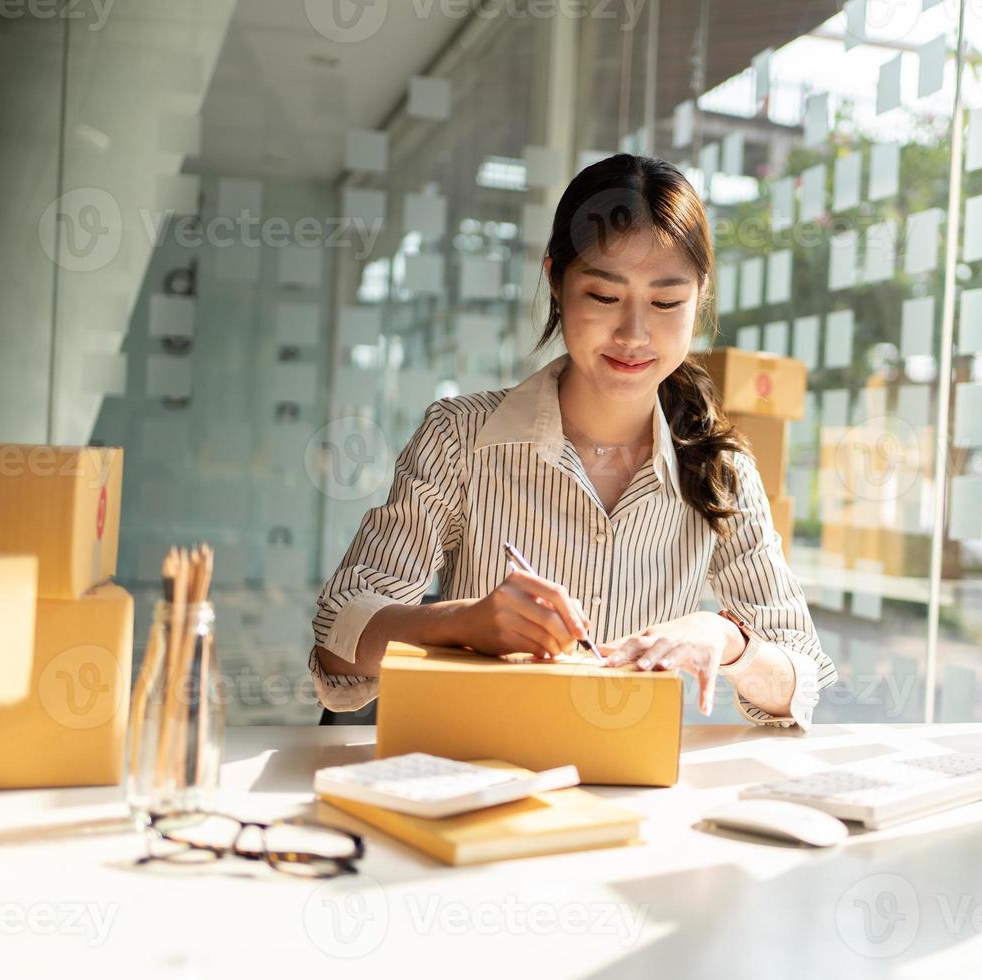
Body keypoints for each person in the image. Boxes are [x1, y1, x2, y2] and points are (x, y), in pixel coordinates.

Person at [308, 153, 836, 729]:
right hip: (481, 779)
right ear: (557, 282)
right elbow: (340, 638)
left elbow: (799, 680)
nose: (634, 334)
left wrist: (728, 638)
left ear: (700, 297)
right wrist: (462, 623)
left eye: (665, 302)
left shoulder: (720, 468)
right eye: (604, 297)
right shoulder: (461, 438)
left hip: (632, 786)